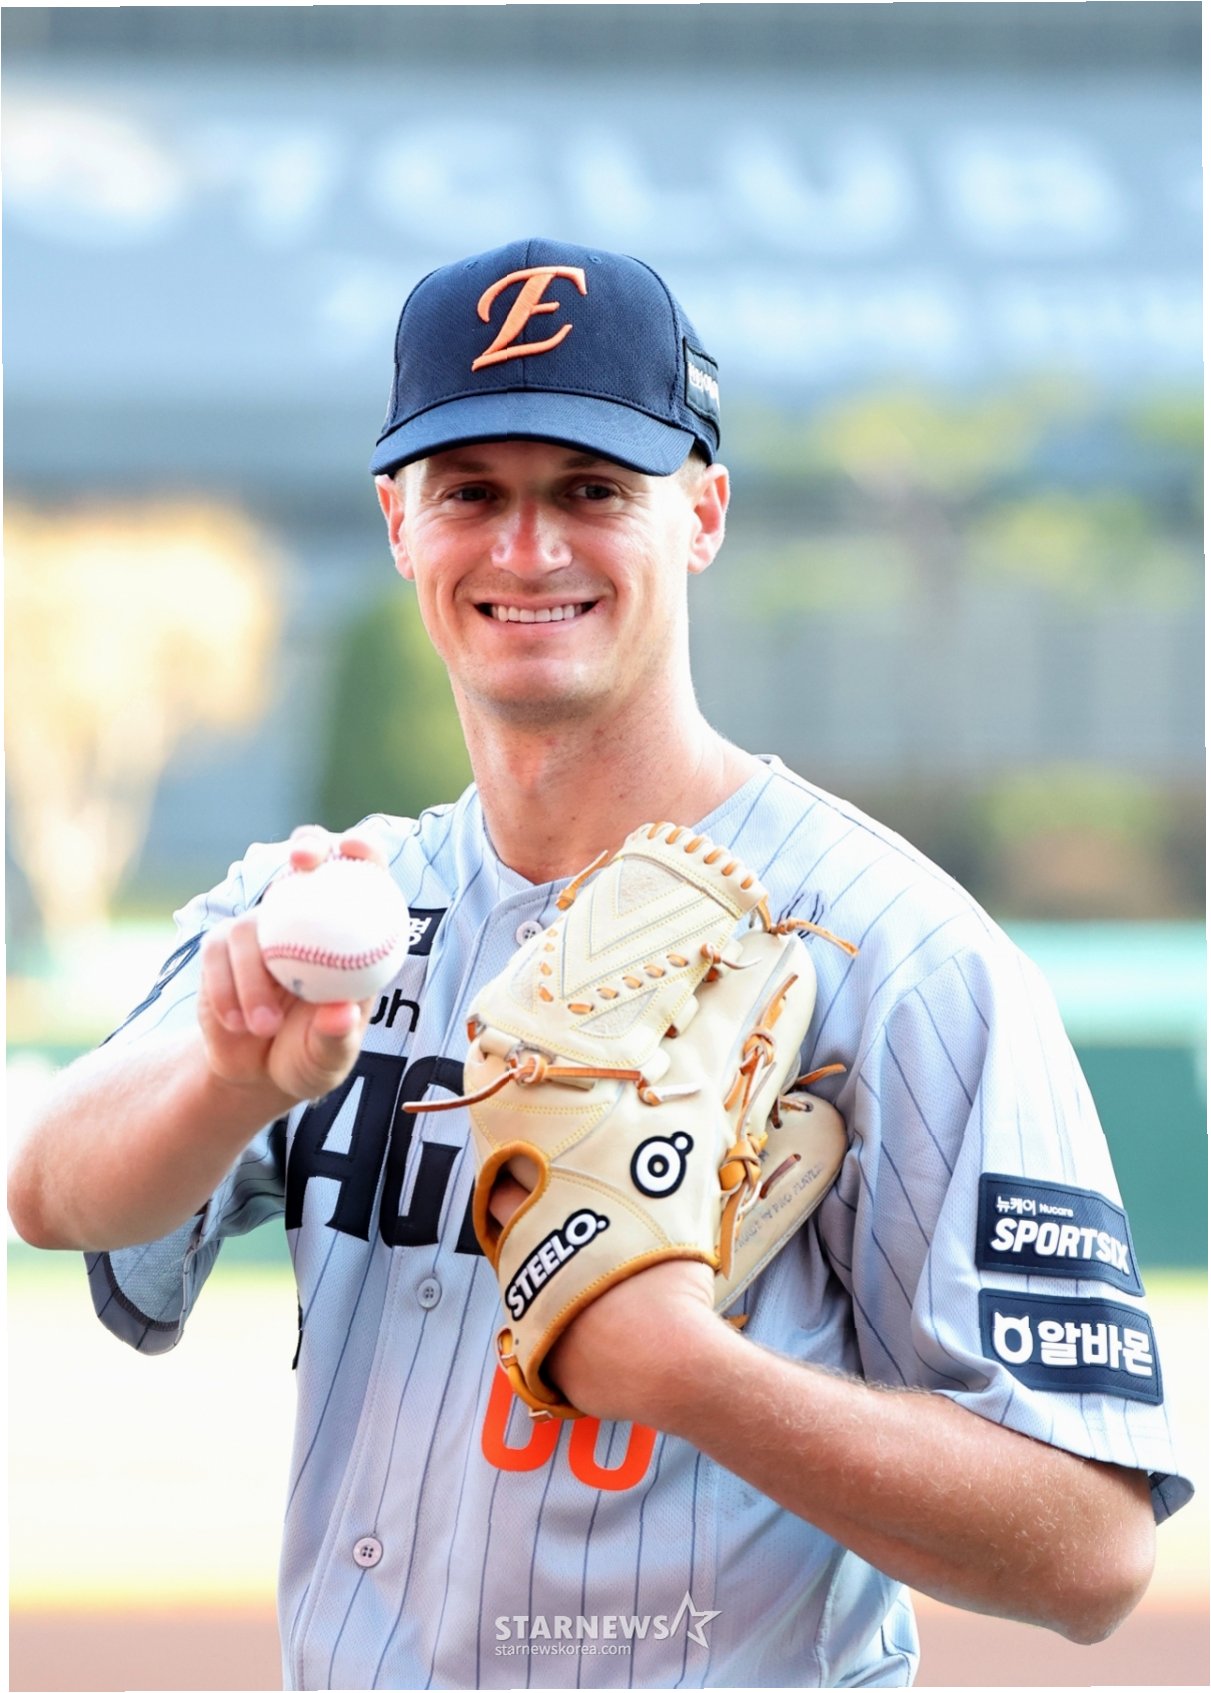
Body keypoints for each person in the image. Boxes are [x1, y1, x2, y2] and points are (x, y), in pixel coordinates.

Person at [9, 237, 1190, 1691]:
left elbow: (1092, 1550)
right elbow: (52, 1190)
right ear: (397, 522)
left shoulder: (898, 953)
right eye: (471, 492)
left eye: (591, 489)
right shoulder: (325, 910)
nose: (528, 550)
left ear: (702, 512)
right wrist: (227, 1075)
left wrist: (690, 1372)